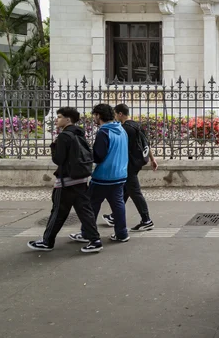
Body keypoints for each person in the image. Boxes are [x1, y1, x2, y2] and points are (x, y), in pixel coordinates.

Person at [28, 107, 102, 254]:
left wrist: (54, 146)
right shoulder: (80, 134)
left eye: (60, 117)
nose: (57, 119)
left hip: (66, 182)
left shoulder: (64, 137)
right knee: (85, 211)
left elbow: (58, 159)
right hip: (80, 179)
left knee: (58, 213)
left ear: (68, 119)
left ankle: (47, 241)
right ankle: (95, 240)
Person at [69, 104, 130, 243]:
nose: (94, 118)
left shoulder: (104, 132)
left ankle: (86, 233)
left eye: (94, 115)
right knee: (118, 205)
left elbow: (98, 156)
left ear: (98, 115)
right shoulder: (121, 129)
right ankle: (122, 233)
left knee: (90, 205)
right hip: (120, 174)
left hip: (104, 176)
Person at [101, 103, 158, 232]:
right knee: (126, 189)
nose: (115, 117)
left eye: (115, 114)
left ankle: (146, 220)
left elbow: (119, 148)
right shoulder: (136, 125)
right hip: (137, 162)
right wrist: (152, 159)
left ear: (120, 114)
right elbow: (146, 143)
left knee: (135, 192)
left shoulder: (124, 129)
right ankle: (114, 216)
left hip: (129, 164)